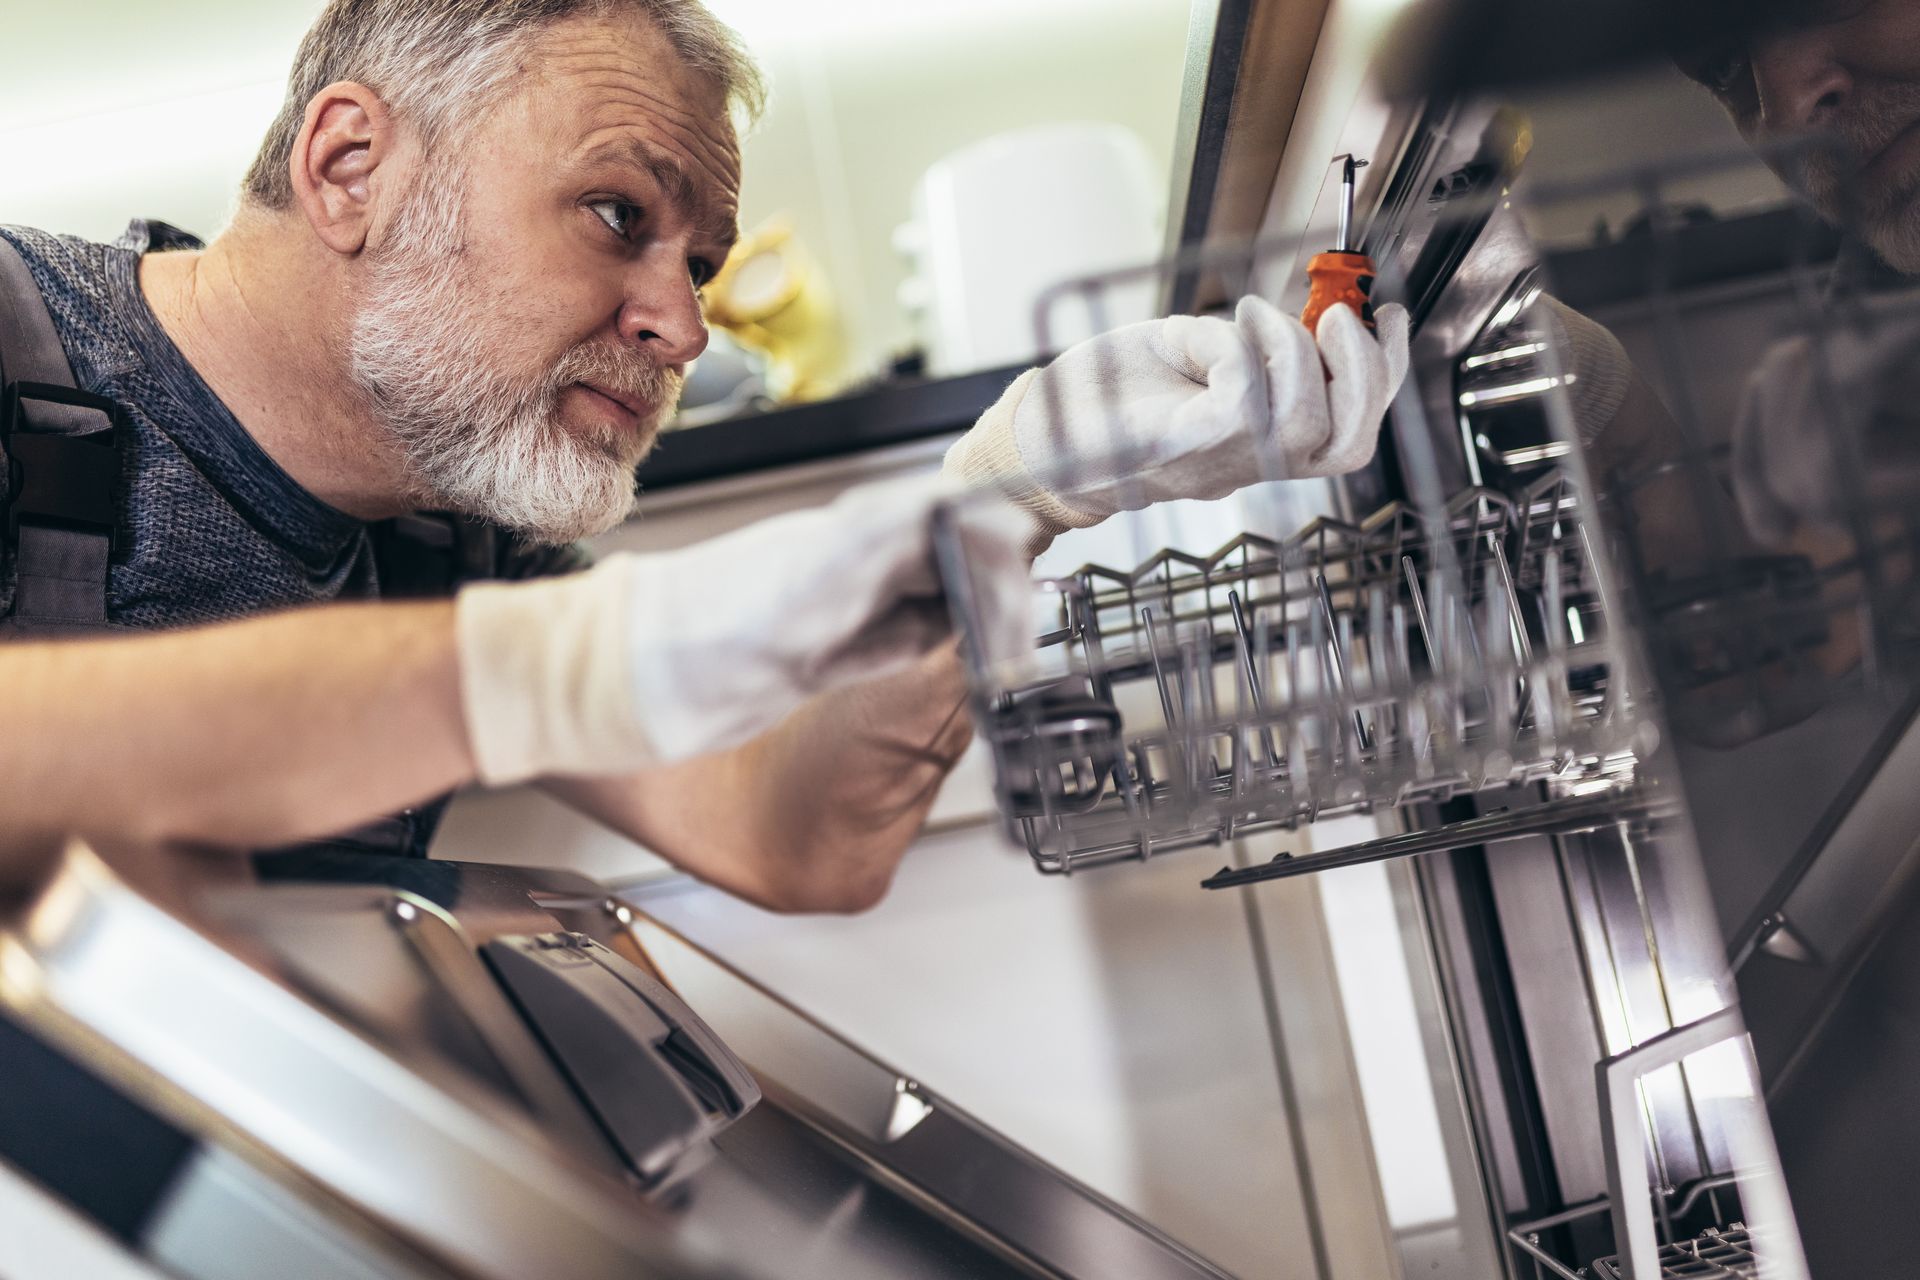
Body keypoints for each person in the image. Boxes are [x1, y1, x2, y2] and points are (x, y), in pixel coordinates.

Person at [0, 0, 1410, 906]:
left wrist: (1007, 494)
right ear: (352, 168)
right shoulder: (16, 337)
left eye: (704, 264)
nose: (681, 325)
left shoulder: (449, 544)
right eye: (618, 214)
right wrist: (541, 671)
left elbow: (792, 834)